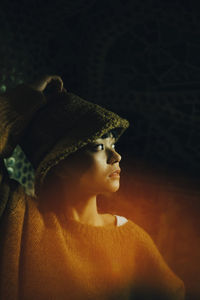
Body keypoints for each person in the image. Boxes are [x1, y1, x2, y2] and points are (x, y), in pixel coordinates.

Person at [0, 75, 185, 299]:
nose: (116, 156)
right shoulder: (20, 216)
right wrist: (18, 102)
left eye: (113, 144)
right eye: (98, 146)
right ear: (59, 162)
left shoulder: (130, 237)